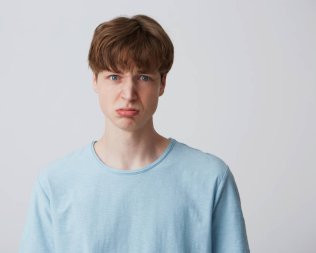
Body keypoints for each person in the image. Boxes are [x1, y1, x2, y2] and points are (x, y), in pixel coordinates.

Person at [18, 14, 250, 253]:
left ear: (162, 84)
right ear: (95, 81)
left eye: (143, 77)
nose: (128, 93)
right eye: (114, 76)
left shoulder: (210, 177)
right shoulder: (56, 183)